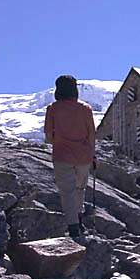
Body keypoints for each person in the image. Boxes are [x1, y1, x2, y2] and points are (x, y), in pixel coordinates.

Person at [44, 75, 95, 239]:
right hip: (83, 157)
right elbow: (92, 135)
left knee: (67, 192)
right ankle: (79, 221)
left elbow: (48, 136)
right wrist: (92, 155)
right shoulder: (85, 109)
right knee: (80, 189)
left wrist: (58, 140)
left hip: (62, 155)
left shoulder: (52, 109)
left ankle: (73, 228)